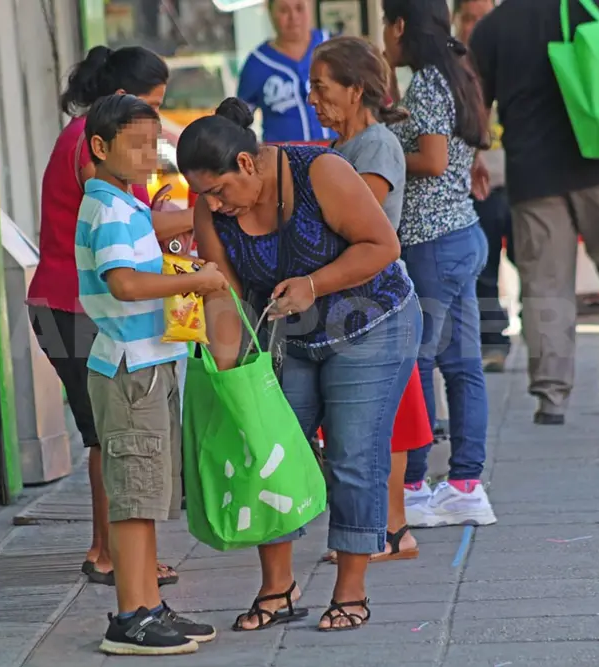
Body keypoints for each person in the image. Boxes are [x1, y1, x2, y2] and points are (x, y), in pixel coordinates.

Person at [177, 98, 420, 631]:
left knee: (353, 455)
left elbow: (383, 245)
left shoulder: (320, 173)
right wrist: (232, 377)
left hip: (372, 323)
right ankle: (278, 590)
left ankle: (351, 591)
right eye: (203, 196)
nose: (214, 206)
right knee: (270, 450)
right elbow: (227, 295)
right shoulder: (211, 212)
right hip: (286, 336)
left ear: (246, 164)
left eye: (218, 191)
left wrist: (315, 285)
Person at [26, 45, 190, 588]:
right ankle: (110, 552)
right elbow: (131, 236)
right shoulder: (91, 148)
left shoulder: (89, 140)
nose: (153, 132)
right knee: (110, 435)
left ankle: (119, 552)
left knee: (110, 433)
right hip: (71, 307)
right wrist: (208, 210)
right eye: (149, 107)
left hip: (71, 303)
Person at [78, 94, 227, 656]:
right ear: (100, 147)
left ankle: (146, 606)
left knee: (145, 496)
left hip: (145, 362)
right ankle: (131, 616)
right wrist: (195, 283)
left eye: (154, 143)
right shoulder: (111, 210)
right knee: (134, 500)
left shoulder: (125, 203)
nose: (150, 154)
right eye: (136, 144)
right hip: (127, 369)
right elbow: (124, 284)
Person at [469, 0, 599, 425]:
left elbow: (475, 106)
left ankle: (551, 396)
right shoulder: (590, 9)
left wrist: (474, 155)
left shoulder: (492, 28)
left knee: (544, 284)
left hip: (532, 175)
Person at [309, 35, 434, 562]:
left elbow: (354, 218)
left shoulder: (377, 145)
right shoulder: (341, 149)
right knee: (360, 421)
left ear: (356, 91)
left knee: (386, 418)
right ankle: (384, 529)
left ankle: (390, 528)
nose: (313, 99)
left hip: (377, 301)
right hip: (350, 299)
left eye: (322, 88)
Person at [383, 0, 498, 528]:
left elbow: (430, 160)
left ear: (401, 25)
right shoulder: (456, 70)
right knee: (463, 365)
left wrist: (374, 153)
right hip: (461, 233)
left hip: (431, 240)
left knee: (421, 364)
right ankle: (466, 484)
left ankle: (414, 485)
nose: (385, 35)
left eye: (387, 23)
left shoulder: (429, 81)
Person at [453, 0, 514, 373]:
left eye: (483, 18)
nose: (476, 27)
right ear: (456, 22)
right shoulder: (448, 72)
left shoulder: (512, 58)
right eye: (469, 19)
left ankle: (547, 338)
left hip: (521, 179)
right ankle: (494, 341)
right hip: (478, 186)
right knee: (485, 268)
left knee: (535, 262)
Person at [237, 0, 332, 142]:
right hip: (283, 160)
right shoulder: (257, 63)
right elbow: (237, 123)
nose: (293, 17)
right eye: (284, 10)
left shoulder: (332, 46)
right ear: (270, 12)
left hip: (337, 157)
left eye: (299, 8)